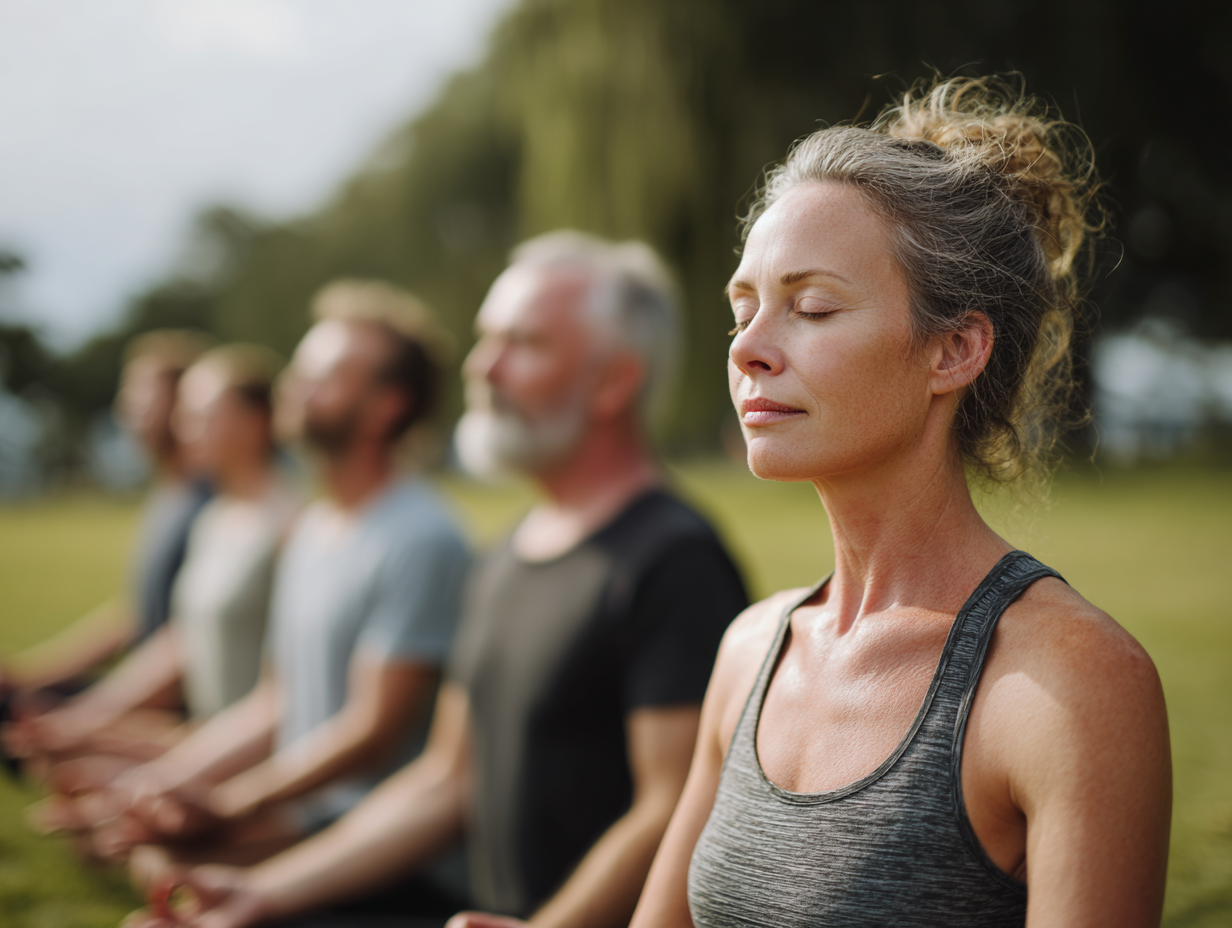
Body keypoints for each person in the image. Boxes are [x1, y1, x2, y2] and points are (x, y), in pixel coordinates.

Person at [629, 77, 1172, 928]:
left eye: (809, 307)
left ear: (954, 350)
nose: (749, 350)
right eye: (743, 309)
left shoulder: (1069, 680)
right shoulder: (749, 652)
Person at [128, 232, 748, 928]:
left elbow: (673, 810)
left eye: (525, 344)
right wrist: (268, 892)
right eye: (487, 340)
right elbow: (445, 781)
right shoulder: (509, 553)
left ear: (613, 382)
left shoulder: (675, 562)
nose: (484, 367)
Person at [94, 281, 471, 877]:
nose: (295, 385)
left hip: (380, 841)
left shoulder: (421, 538)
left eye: (324, 375)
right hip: (305, 812)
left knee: (162, 867)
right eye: (301, 368)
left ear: (387, 405)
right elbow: (278, 701)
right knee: (137, 845)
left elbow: (371, 733)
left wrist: (231, 805)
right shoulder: (314, 526)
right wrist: (163, 784)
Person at [20, 344, 300, 831]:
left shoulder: (290, 525)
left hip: (254, 745)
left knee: (126, 831)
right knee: (58, 764)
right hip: (202, 731)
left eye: (202, 414)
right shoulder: (213, 518)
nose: (183, 427)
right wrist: (87, 719)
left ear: (255, 423)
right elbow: (181, 639)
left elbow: (284, 693)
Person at [2, 330, 214, 764]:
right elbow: (137, 616)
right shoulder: (169, 497)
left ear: (183, 407)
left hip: (174, 711)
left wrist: (85, 720)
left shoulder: (206, 507)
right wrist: (30, 675)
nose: (129, 411)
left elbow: (187, 643)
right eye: (128, 395)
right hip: (142, 692)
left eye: (143, 397)